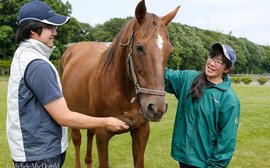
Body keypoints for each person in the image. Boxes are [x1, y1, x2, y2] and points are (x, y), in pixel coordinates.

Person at [6, 1, 129, 167]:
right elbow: (64, 116)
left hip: (32, 150)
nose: (55, 32)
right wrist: (106, 121)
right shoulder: (38, 65)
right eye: (50, 27)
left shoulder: (23, 55)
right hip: (40, 155)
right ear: (33, 30)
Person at [164, 43, 240, 167]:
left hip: (206, 164)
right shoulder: (188, 79)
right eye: (211, 57)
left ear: (226, 69)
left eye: (219, 61)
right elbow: (161, 74)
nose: (211, 63)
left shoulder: (229, 100)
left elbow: (227, 140)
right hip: (183, 159)